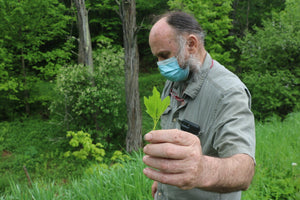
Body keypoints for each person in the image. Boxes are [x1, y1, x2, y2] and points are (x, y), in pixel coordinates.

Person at [142, 11, 256, 200]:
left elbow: (244, 171)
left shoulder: (228, 92)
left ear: (191, 44)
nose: (160, 65)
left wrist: (201, 169)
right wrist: (162, 182)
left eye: (164, 55)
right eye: (157, 58)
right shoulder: (175, 80)